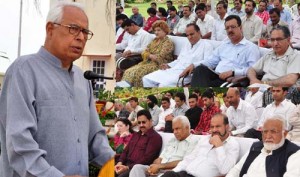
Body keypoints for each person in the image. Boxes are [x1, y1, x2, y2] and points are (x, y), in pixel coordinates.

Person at [0, 2, 114, 176]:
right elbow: (19, 144)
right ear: (50, 29)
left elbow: (94, 135)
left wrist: (112, 161)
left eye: (85, 32)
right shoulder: (23, 71)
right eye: (73, 28)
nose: (81, 37)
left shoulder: (82, 80)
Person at [191, 15, 260, 87]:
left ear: (240, 28)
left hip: (232, 80)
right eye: (227, 28)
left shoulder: (251, 48)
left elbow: (253, 70)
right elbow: (211, 61)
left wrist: (233, 72)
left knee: (202, 86)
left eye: (233, 27)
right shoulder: (224, 45)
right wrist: (193, 65)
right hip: (217, 75)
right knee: (199, 69)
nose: (230, 30)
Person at [162, 113, 240, 177]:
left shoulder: (233, 145)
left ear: (227, 127)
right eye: (212, 127)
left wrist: (219, 146)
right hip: (185, 174)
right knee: (168, 175)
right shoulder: (205, 139)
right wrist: (174, 171)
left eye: (218, 126)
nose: (214, 130)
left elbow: (225, 170)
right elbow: (189, 159)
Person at [143, 24, 213, 87]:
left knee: (163, 85)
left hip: (187, 74)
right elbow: (179, 60)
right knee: (146, 79)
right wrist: (168, 65)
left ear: (199, 32)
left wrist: (194, 65)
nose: (189, 37)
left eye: (192, 34)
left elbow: (208, 63)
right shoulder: (186, 44)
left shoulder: (206, 45)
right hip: (174, 69)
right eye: (187, 35)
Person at [226, 116, 300, 177]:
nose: (268, 136)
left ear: (284, 134)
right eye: (265, 132)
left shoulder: (294, 153)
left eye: (273, 132)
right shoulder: (256, 147)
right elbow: (236, 170)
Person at [129, 116, 198, 177]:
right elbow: (159, 158)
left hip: (173, 172)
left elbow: (185, 162)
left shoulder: (193, 141)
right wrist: (153, 169)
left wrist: (160, 167)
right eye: (173, 129)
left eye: (177, 129)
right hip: (160, 169)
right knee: (137, 168)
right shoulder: (172, 140)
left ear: (186, 128)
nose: (174, 132)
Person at [117, 20, 174, 87]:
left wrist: (148, 54)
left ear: (165, 30)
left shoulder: (167, 42)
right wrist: (149, 55)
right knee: (128, 71)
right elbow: (145, 51)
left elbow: (159, 57)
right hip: (148, 62)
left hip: (160, 64)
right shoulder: (155, 40)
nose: (156, 32)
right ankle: (124, 87)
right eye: (155, 31)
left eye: (159, 30)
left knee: (137, 73)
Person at [115, 110, 162, 177]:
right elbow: (126, 151)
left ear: (150, 121)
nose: (141, 125)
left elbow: (147, 159)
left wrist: (127, 167)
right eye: (139, 123)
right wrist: (120, 162)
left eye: (144, 122)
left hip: (136, 168)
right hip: (125, 164)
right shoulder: (136, 134)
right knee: (107, 169)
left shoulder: (155, 137)